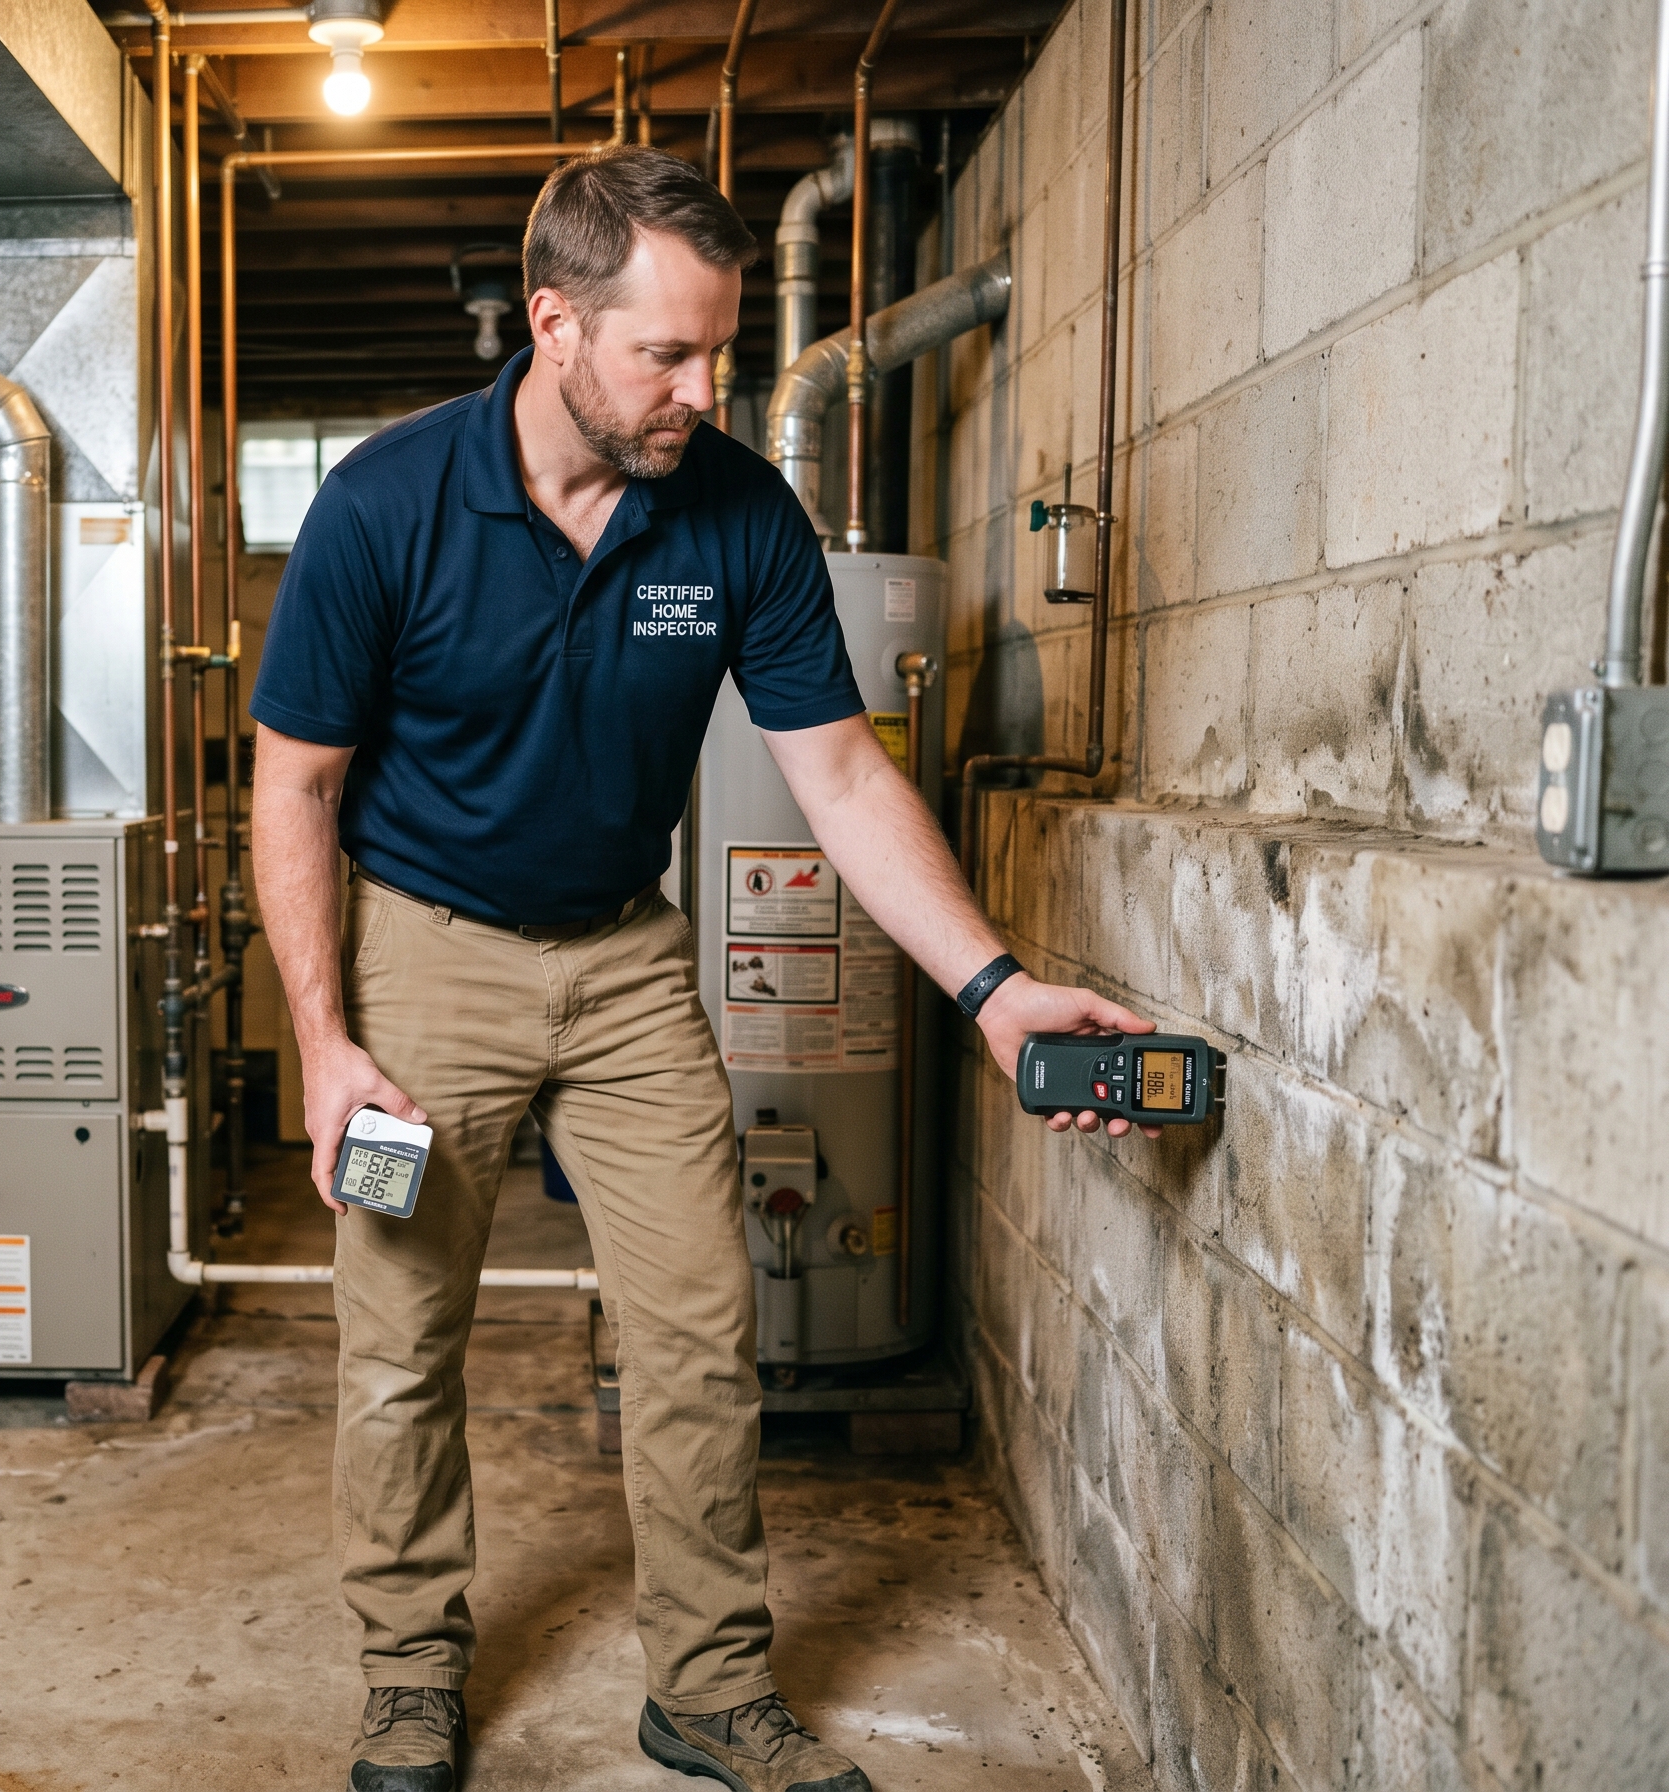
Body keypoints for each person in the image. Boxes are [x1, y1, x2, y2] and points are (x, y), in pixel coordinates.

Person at [247, 145, 1160, 1792]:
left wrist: (995, 991)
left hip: (624, 958)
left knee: (699, 1324)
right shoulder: (386, 501)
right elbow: (295, 786)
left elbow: (845, 777)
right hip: (425, 952)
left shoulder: (736, 510)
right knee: (400, 1336)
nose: (698, 388)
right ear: (554, 323)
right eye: (665, 353)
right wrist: (323, 1039)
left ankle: (712, 1687)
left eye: (718, 352)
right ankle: (406, 1668)